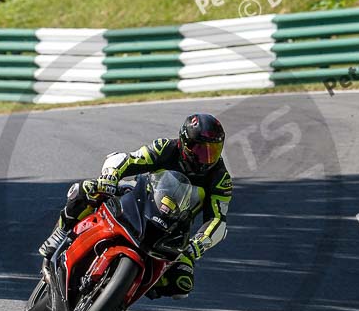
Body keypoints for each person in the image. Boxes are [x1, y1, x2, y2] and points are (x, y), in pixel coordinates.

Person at [39, 113, 233, 299]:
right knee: (88, 189)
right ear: (185, 142)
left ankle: (124, 291)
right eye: (200, 149)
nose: (206, 157)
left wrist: (197, 246)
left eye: (212, 151)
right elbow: (129, 159)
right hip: (140, 198)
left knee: (181, 284)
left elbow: (217, 219)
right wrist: (110, 176)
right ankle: (60, 234)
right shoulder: (165, 147)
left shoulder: (220, 178)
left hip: (175, 228)